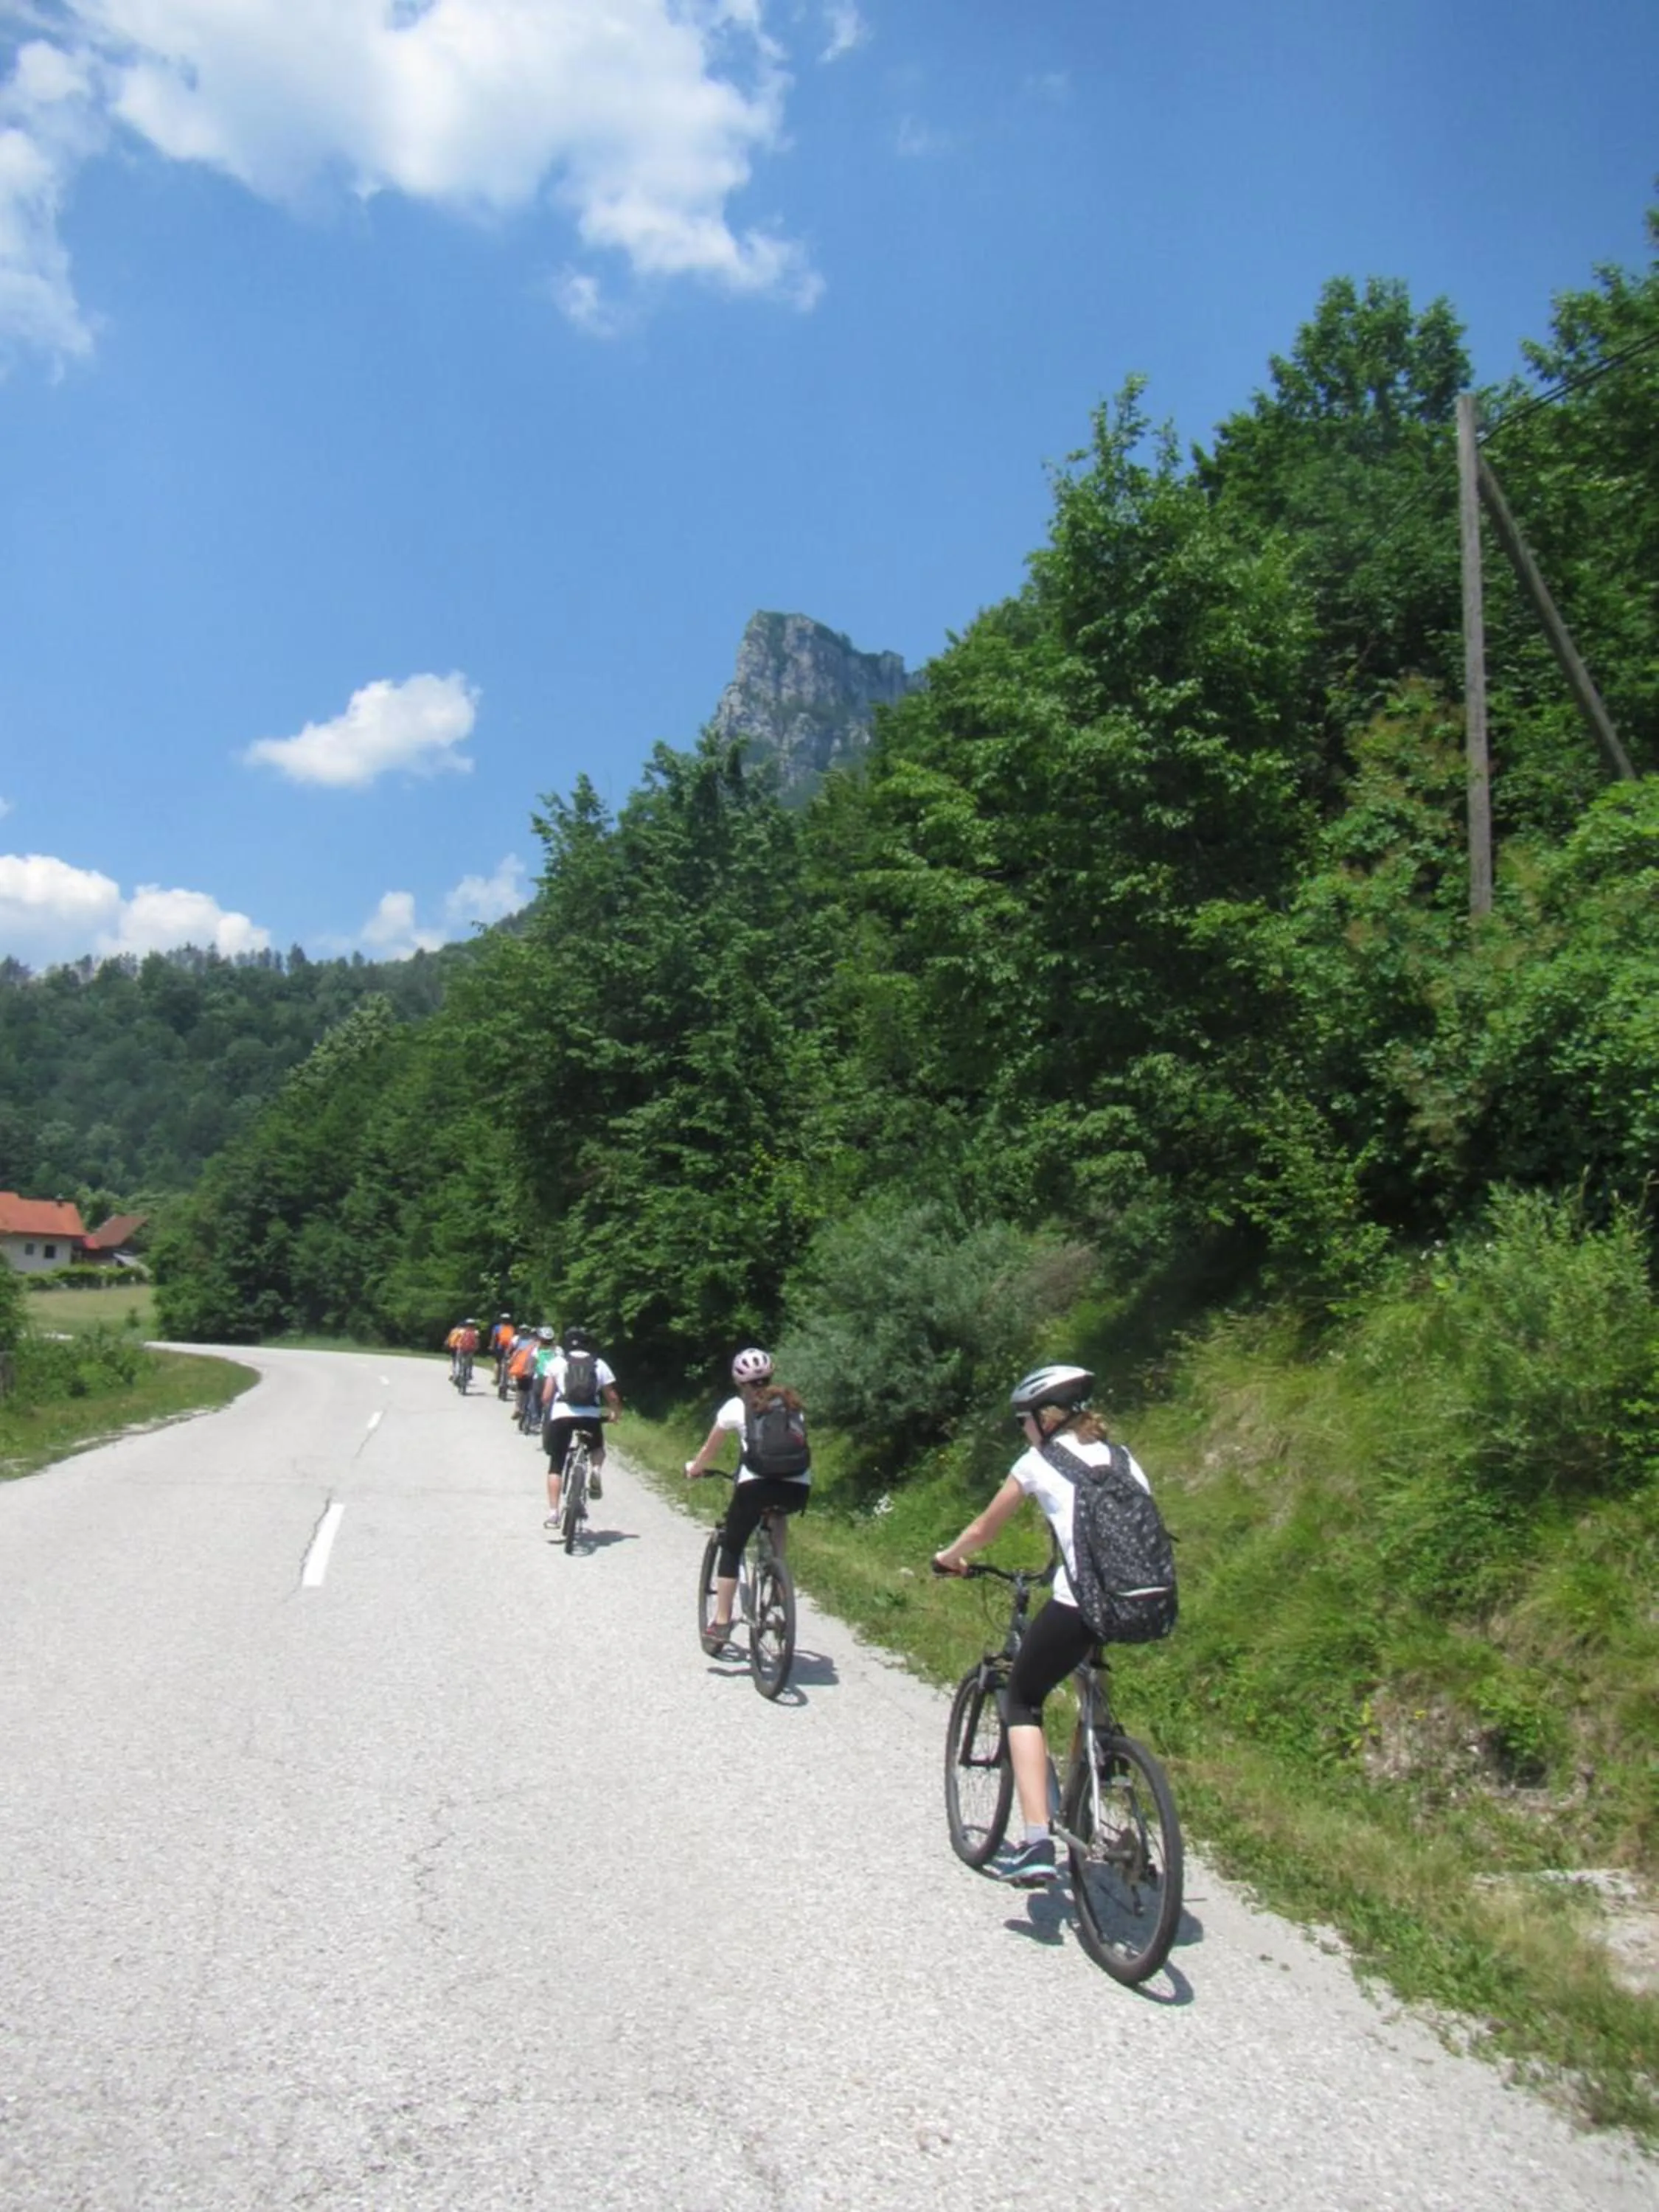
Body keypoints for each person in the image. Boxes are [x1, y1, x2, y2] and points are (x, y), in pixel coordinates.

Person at [932, 1363, 1162, 1887]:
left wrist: (949, 1557)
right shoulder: (1123, 1459)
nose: (1022, 1430)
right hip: (1139, 1600)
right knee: (1085, 1684)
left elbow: (983, 1528)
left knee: (1021, 1698)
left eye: (1023, 1421)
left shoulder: (1038, 1461)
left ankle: (1037, 1841)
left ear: (1041, 1418)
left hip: (1078, 1605)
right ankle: (1100, 1768)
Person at [684, 1348, 810, 1655]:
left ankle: (723, 1621)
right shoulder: (791, 1403)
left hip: (755, 1484)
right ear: (772, 1375)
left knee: (732, 1545)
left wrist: (695, 1468)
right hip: (797, 1486)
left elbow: (709, 1450)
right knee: (778, 1516)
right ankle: (778, 1579)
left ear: (739, 1380)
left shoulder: (736, 1406)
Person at [543, 1327, 622, 1526]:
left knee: (556, 1465)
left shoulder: (557, 1362)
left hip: (561, 1416)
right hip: (590, 1416)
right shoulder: (598, 1363)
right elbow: (611, 1395)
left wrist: (549, 1411)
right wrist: (615, 1413)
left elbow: (546, 1397)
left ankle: (553, 1513)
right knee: (597, 1448)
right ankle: (595, 1470)